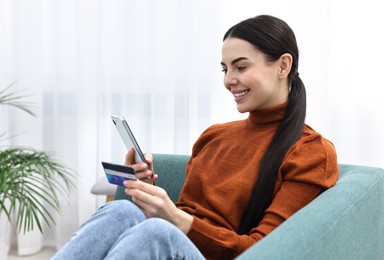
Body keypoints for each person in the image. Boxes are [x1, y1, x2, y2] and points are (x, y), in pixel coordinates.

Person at [52, 14, 338, 260]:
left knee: (158, 232)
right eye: (225, 69)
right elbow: (189, 217)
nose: (229, 80)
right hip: (179, 246)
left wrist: (173, 219)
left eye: (241, 67)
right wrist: (147, 193)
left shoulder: (309, 151)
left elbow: (263, 250)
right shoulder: (214, 137)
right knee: (120, 212)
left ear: (283, 66)